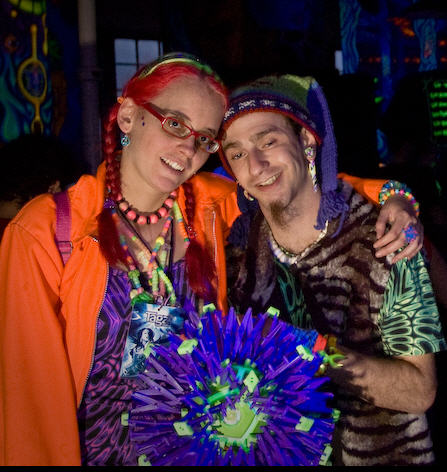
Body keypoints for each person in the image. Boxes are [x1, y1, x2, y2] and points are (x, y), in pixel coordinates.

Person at [0, 52, 424, 466]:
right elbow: (30, 407)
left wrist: (394, 196)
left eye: (204, 138)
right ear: (128, 116)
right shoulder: (47, 231)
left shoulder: (208, 207)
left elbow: (300, 185)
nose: (188, 148)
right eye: (175, 124)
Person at [219, 74, 446, 466]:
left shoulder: (387, 237)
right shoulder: (237, 253)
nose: (255, 166)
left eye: (268, 141)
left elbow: (419, 390)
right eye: (237, 154)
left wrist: (314, 353)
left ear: (307, 140)